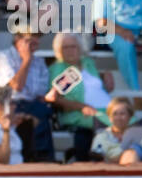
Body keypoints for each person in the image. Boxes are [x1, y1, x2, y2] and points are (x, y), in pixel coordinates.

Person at [45, 33, 113, 162]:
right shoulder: (59, 69)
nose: (70, 50)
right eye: (65, 47)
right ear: (59, 51)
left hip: (106, 109)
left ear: (80, 48)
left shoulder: (88, 63)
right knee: (110, 123)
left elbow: (96, 86)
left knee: (129, 118)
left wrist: (106, 79)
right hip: (79, 114)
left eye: (73, 46)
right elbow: (55, 98)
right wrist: (82, 106)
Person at [0, 26, 54, 161]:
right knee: (26, 111)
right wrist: (26, 60)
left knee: (43, 109)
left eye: (37, 40)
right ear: (17, 39)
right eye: (30, 39)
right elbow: (16, 86)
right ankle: (32, 158)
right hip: (7, 104)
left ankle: (43, 160)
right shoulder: (3, 58)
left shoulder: (39, 62)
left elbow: (40, 95)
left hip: (33, 105)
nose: (35, 44)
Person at [91, 96, 142, 164]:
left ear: (130, 116)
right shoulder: (102, 136)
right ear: (109, 117)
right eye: (115, 114)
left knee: (133, 149)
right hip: (114, 171)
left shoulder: (140, 134)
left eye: (122, 114)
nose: (118, 118)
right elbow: (96, 160)